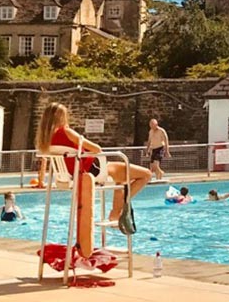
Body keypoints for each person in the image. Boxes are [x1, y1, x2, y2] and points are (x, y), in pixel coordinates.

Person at [35, 103, 151, 256]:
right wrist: (80, 138)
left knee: (123, 180)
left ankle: (116, 211)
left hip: (75, 175)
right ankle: (117, 211)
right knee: (146, 174)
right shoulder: (67, 132)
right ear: (61, 117)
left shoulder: (46, 140)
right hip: (94, 170)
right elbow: (96, 149)